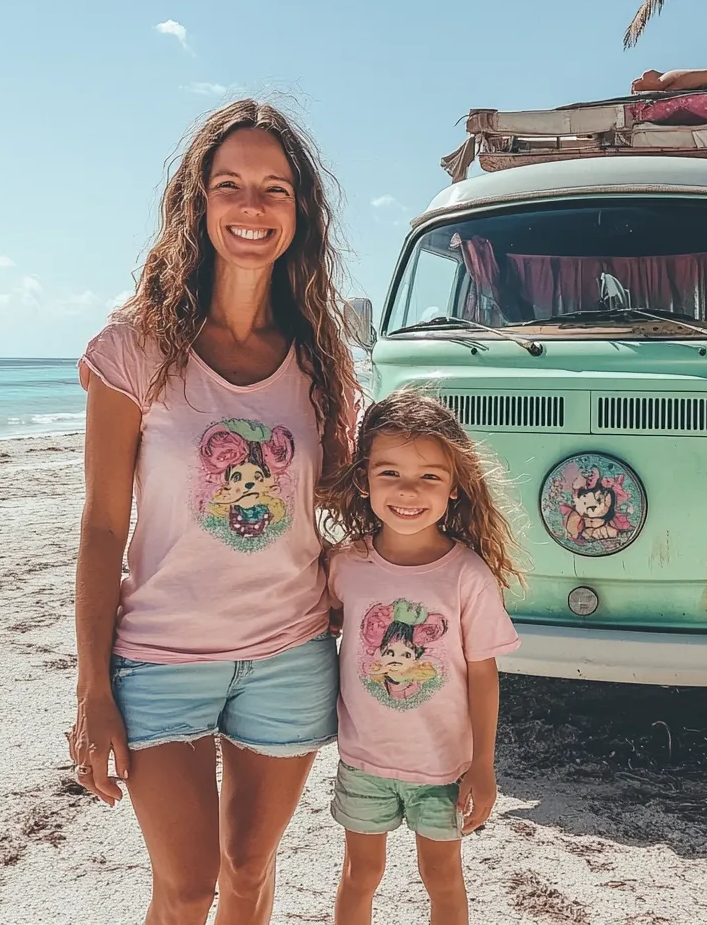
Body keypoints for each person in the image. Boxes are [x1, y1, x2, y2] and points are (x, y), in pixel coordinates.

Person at [67, 100, 359, 925]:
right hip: (161, 657)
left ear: (299, 211)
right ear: (198, 202)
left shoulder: (321, 359)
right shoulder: (135, 347)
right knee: (188, 885)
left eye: (274, 189)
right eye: (230, 184)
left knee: (248, 873)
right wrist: (92, 687)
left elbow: (342, 503)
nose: (251, 206)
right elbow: (101, 527)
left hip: (291, 654)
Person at [322, 391, 524, 925]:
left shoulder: (467, 576)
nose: (408, 491)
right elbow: (325, 621)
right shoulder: (346, 563)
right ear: (364, 479)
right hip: (362, 762)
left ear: (454, 486)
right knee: (360, 874)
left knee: (442, 878)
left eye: (429, 476)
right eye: (389, 472)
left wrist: (483, 765)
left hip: (442, 768)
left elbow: (483, 675)